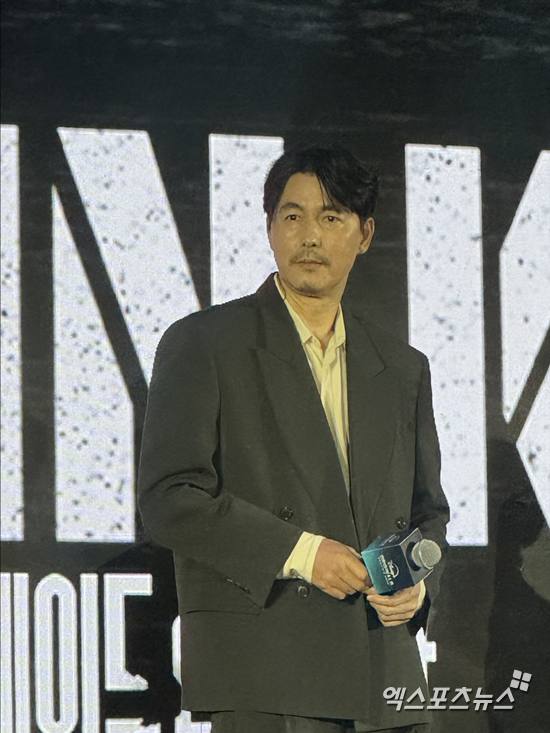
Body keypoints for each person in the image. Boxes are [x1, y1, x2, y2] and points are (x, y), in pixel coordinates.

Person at [137, 146, 450, 733]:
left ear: (365, 234)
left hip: (384, 678)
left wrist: (414, 582)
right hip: (267, 673)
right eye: (292, 215)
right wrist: (303, 554)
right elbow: (169, 498)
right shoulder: (204, 343)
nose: (310, 235)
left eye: (331, 217)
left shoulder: (403, 368)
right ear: (269, 228)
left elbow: (427, 513)